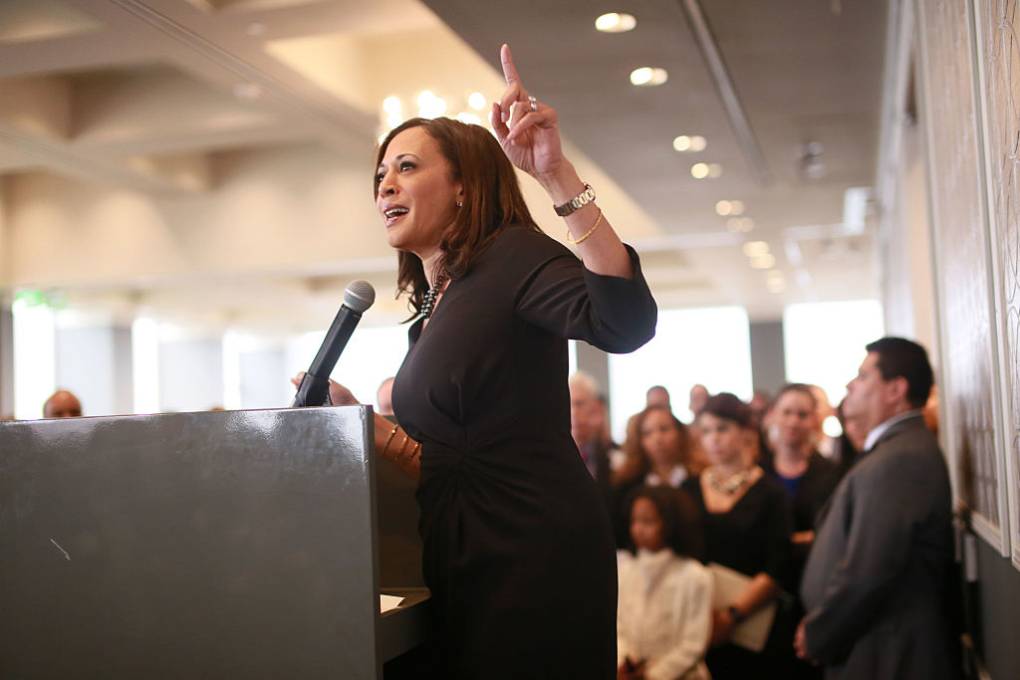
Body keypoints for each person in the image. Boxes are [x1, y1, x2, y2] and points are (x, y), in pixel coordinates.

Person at [324, 44, 657, 678]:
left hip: (529, 552)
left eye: (406, 167)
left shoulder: (511, 256)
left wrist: (555, 175)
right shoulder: (438, 305)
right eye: (380, 176)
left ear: (463, 186)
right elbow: (449, 453)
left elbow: (624, 320)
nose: (385, 185)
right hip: (464, 551)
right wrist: (359, 423)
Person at [796, 337, 960, 680]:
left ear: (895, 390)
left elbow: (869, 569)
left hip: (889, 652)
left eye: (863, 376)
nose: (850, 386)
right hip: (874, 646)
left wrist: (819, 633)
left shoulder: (900, 457)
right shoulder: (894, 449)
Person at [681, 392, 792, 679]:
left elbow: (778, 565)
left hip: (752, 621)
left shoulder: (770, 492)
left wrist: (732, 615)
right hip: (695, 617)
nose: (713, 439)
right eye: (706, 431)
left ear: (745, 432)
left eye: (722, 429)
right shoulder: (689, 488)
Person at [617, 485, 712, 680]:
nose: (639, 528)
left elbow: (693, 644)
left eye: (648, 521)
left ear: (671, 524)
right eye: (635, 520)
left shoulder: (695, 576)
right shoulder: (625, 570)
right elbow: (617, 627)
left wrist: (654, 674)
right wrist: (624, 661)